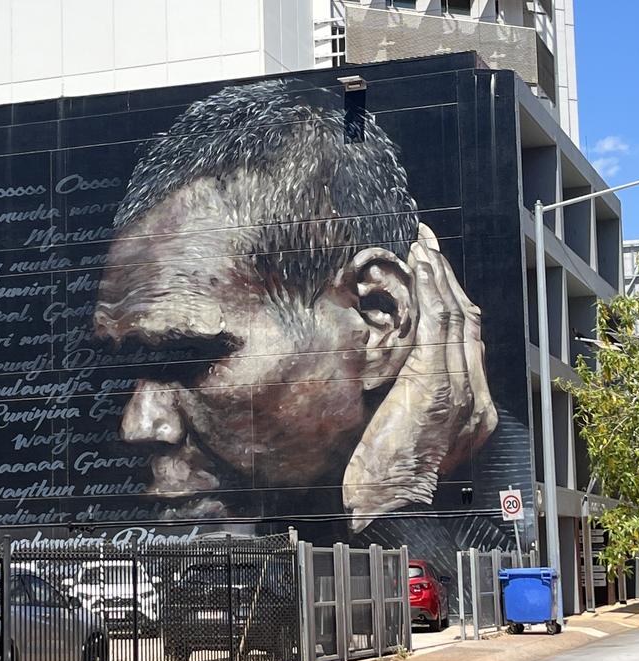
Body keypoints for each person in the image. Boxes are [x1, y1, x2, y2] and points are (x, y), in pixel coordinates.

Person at [92, 80, 497, 531]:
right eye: (127, 370)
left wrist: (394, 497)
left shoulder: (516, 502)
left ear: (380, 317)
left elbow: (454, 604)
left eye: (190, 357)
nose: (140, 425)